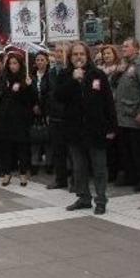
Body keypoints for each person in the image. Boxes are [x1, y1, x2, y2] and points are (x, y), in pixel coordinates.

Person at [56, 42, 117, 215]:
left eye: (81, 54)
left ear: (87, 56)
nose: (78, 57)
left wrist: (112, 126)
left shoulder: (98, 74)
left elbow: (108, 102)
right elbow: (58, 96)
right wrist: (73, 80)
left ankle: (101, 200)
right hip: (74, 130)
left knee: (99, 167)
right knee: (79, 167)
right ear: (70, 57)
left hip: (96, 129)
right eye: (75, 54)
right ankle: (83, 197)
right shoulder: (65, 75)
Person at [113, 38, 140, 191]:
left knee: (139, 150)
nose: (123, 48)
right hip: (124, 115)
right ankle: (132, 176)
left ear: (136, 49)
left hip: (134, 114)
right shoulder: (127, 65)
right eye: (123, 46)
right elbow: (114, 83)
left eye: (126, 46)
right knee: (127, 150)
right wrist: (118, 72)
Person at [0, 52, 35, 186]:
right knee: (6, 146)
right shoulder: (4, 78)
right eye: (10, 63)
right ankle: (7, 172)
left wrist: (29, 87)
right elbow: (0, 97)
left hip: (21, 119)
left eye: (15, 63)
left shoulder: (26, 78)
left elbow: (32, 100)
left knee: (22, 147)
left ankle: (23, 173)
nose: (12, 66)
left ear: (20, 64)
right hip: (6, 118)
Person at [46, 44, 71, 190]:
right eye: (57, 51)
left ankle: (76, 179)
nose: (59, 54)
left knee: (72, 151)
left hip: (68, 116)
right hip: (54, 116)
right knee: (58, 150)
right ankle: (60, 179)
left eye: (62, 51)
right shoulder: (51, 72)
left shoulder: (71, 71)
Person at [30, 51, 51, 175]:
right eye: (37, 60)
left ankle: (49, 163)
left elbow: (50, 93)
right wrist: (33, 105)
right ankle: (34, 163)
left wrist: (43, 107)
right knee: (35, 138)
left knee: (48, 138)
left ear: (47, 61)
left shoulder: (50, 75)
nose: (39, 62)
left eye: (42, 60)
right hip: (33, 112)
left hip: (46, 111)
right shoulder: (31, 76)